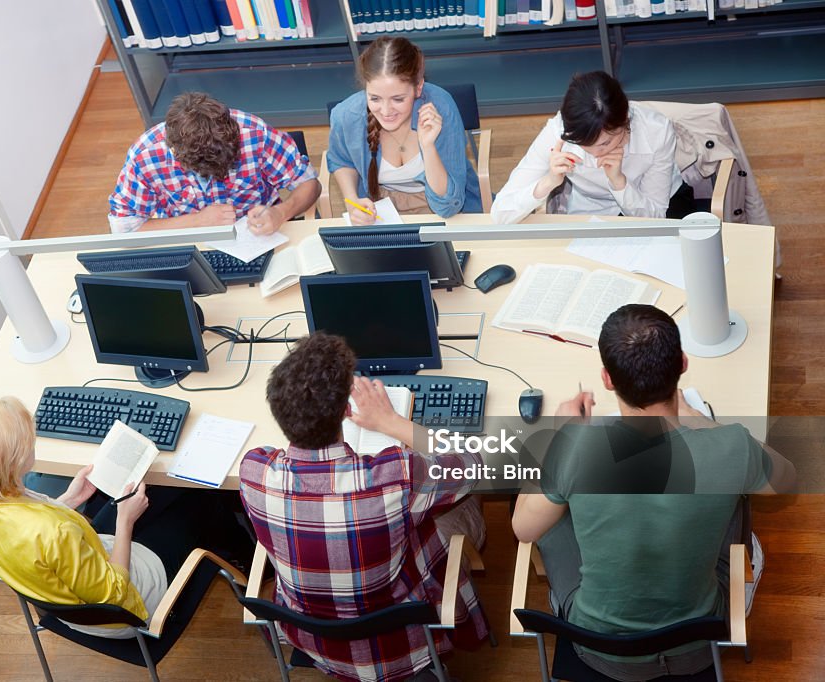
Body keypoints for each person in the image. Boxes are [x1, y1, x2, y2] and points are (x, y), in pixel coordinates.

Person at [512, 304, 795, 681]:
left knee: (550, 511)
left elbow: (522, 530)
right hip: (696, 645)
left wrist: (557, 438)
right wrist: (705, 422)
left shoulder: (576, 450)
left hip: (599, 649)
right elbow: (787, 482)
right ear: (682, 363)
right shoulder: (733, 448)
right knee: (738, 494)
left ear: (607, 379)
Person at [239, 332, 488, 682]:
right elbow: (475, 464)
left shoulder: (254, 472)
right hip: (402, 648)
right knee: (460, 501)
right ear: (345, 411)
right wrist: (389, 421)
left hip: (317, 644)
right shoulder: (393, 476)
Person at [0, 396, 250, 638]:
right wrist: (124, 520)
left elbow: (25, 538)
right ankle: (251, 565)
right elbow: (115, 593)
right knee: (199, 497)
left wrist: (71, 499)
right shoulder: (55, 533)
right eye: (28, 441)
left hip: (81, 568)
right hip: (125, 606)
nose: (33, 439)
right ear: (12, 462)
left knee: (157, 490)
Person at [108, 92, 321, 235]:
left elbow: (309, 183)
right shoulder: (145, 156)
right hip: (185, 237)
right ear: (175, 153)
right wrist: (197, 221)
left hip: (260, 233)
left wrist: (281, 212)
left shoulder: (255, 134)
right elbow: (124, 227)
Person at [492, 71, 683, 224]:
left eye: (605, 143)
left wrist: (619, 183)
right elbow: (500, 214)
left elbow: (656, 218)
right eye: (583, 144)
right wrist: (548, 182)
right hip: (590, 211)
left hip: (651, 205)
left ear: (625, 121)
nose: (593, 153)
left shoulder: (656, 131)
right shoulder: (559, 132)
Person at [327, 36, 482, 222]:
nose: (385, 111)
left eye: (398, 99)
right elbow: (341, 160)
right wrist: (352, 202)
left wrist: (428, 146)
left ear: (418, 88)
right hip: (380, 209)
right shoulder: (346, 115)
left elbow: (447, 206)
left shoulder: (441, 109)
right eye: (374, 98)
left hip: (438, 209)